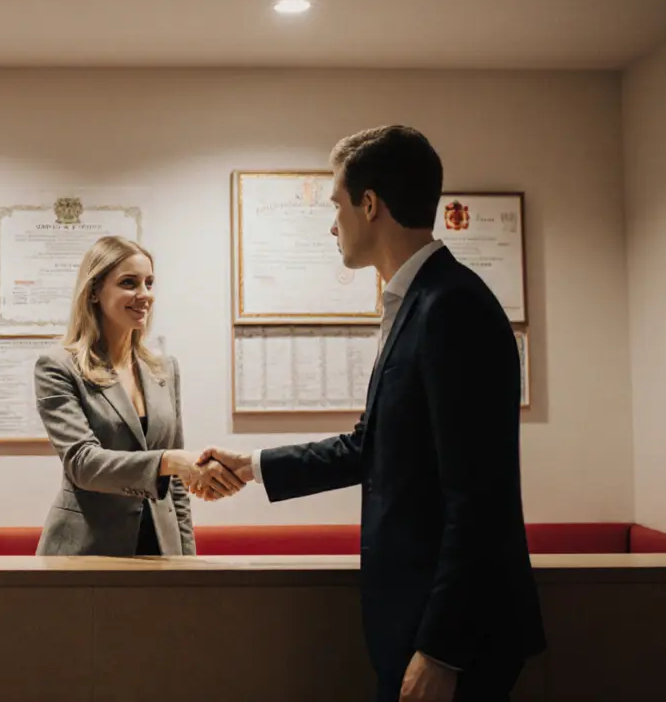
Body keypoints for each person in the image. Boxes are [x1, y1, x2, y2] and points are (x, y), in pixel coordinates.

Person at [195, 126, 546, 701]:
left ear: (369, 204)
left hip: (454, 642)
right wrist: (254, 464)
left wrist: (441, 651)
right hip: (420, 627)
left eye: (336, 204)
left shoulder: (450, 307)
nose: (333, 224)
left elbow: (479, 497)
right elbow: (373, 446)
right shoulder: (420, 301)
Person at [33, 235, 243, 556]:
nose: (144, 295)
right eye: (129, 283)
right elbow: (83, 464)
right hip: (86, 549)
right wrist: (170, 460)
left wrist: (185, 556)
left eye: (149, 283)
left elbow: (176, 487)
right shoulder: (58, 366)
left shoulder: (163, 368)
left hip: (160, 546)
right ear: (93, 292)